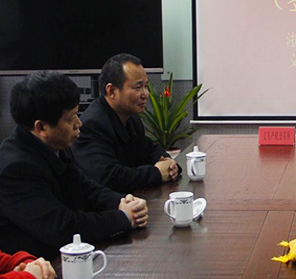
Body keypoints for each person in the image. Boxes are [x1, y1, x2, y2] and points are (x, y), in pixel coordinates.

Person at [0, 71, 148, 260]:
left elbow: (85, 188)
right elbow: (63, 227)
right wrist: (124, 218)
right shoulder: (15, 170)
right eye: (71, 119)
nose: (79, 124)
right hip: (40, 265)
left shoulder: (53, 144)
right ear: (41, 127)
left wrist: (122, 202)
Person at [73, 53, 180, 193]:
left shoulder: (131, 118)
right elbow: (109, 177)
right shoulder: (92, 125)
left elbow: (149, 148)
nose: (145, 94)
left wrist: (167, 163)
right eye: (138, 87)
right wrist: (157, 173)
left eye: (146, 86)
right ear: (111, 91)